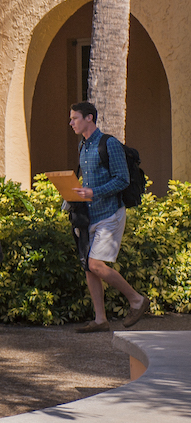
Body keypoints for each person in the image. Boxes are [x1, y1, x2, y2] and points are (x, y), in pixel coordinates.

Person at [68, 102, 150, 332]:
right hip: (90, 215)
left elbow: (122, 179)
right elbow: (88, 181)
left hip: (110, 213)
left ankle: (136, 300)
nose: (71, 122)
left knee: (95, 264)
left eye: (75, 118)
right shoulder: (83, 147)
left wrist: (94, 192)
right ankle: (100, 319)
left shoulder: (109, 144)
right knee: (88, 266)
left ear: (90, 118)